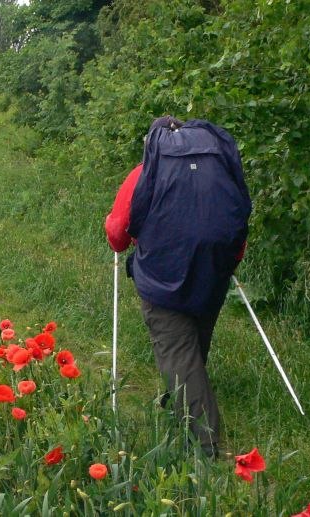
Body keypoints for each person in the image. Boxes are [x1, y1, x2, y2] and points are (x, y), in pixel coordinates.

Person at [105, 115, 251, 458]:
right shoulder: (216, 169)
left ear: (152, 143)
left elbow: (118, 235)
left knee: (179, 353)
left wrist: (109, 226)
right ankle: (177, 403)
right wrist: (226, 262)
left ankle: (206, 445)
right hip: (213, 271)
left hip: (162, 277)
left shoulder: (143, 174)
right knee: (194, 344)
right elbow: (236, 219)